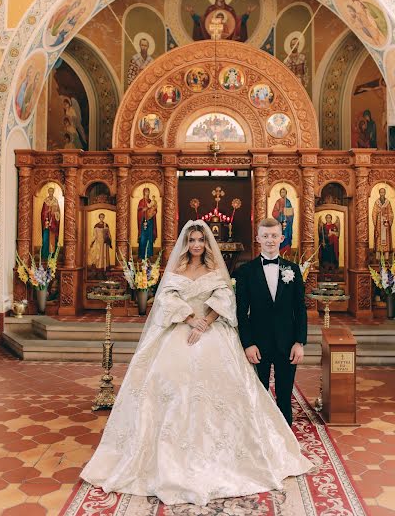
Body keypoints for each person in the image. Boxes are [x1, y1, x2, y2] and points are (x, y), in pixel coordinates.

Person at [80, 220, 312, 505]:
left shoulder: (219, 269)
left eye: (201, 240)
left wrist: (205, 322)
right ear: (186, 243)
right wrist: (191, 319)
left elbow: (226, 298)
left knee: (245, 392)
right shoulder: (177, 269)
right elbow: (166, 299)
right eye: (192, 240)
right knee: (172, 386)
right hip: (180, 331)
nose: (197, 245)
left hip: (214, 331)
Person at [235, 218, 307, 426]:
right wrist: (248, 343)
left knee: (284, 395)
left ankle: (285, 441)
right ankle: (259, 437)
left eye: (274, 236)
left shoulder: (292, 269)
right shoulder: (246, 271)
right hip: (258, 343)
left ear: (282, 238)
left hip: (287, 342)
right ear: (258, 238)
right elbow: (241, 311)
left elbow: (300, 309)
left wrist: (299, 342)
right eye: (265, 236)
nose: (270, 240)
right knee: (258, 394)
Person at [372, 188, 394, 260]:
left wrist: (387, 216)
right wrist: (377, 215)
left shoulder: (388, 202)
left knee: (386, 240)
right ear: (379, 193)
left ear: (385, 193)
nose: (382, 194)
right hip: (378, 224)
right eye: (381, 192)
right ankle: (378, 257)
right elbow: (374, 213)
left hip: (386, 223)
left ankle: (386, 257)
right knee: (378, 238)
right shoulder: (376, 202)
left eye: (383, 192)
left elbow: (391, 213)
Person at [272, 187, 294, 254]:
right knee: (280, 236)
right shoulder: (278, 202)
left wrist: (287, 213)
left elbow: (291, 214)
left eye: (284, 192)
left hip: (287, 224)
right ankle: (280, 252)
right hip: (280, 223)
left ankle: (287, 252)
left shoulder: (288, 202)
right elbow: (274, 213)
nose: (282, 193)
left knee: (287, 236)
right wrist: (280, 212)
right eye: (281, 192)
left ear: (286, 193)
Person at [137, 187, 157, 259]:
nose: (147, 193)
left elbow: (155, 209)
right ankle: (142, 255)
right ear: (143, 193)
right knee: (143, 238)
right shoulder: (141, 201)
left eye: (148, 192)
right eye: (146, 192)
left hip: (150, 222)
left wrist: (153, 211)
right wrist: (143, 210)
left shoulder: (151, 201)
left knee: (150, 238)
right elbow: (139, 210)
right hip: (143, 222)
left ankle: (149, 254)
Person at [41, 187, 61, 257]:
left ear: (53, 192)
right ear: (48, 192)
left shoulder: (56, 201)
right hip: (47, 224)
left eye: (52, 191)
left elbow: (58, 213)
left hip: (53, 225)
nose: (50, 193)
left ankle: (53, 255)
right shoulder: (46, 201)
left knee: (53, 239)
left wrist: (55, 214)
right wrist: (47, 212)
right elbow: (43, 213)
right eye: (49, 191)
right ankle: (45, 255)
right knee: (46, 239)